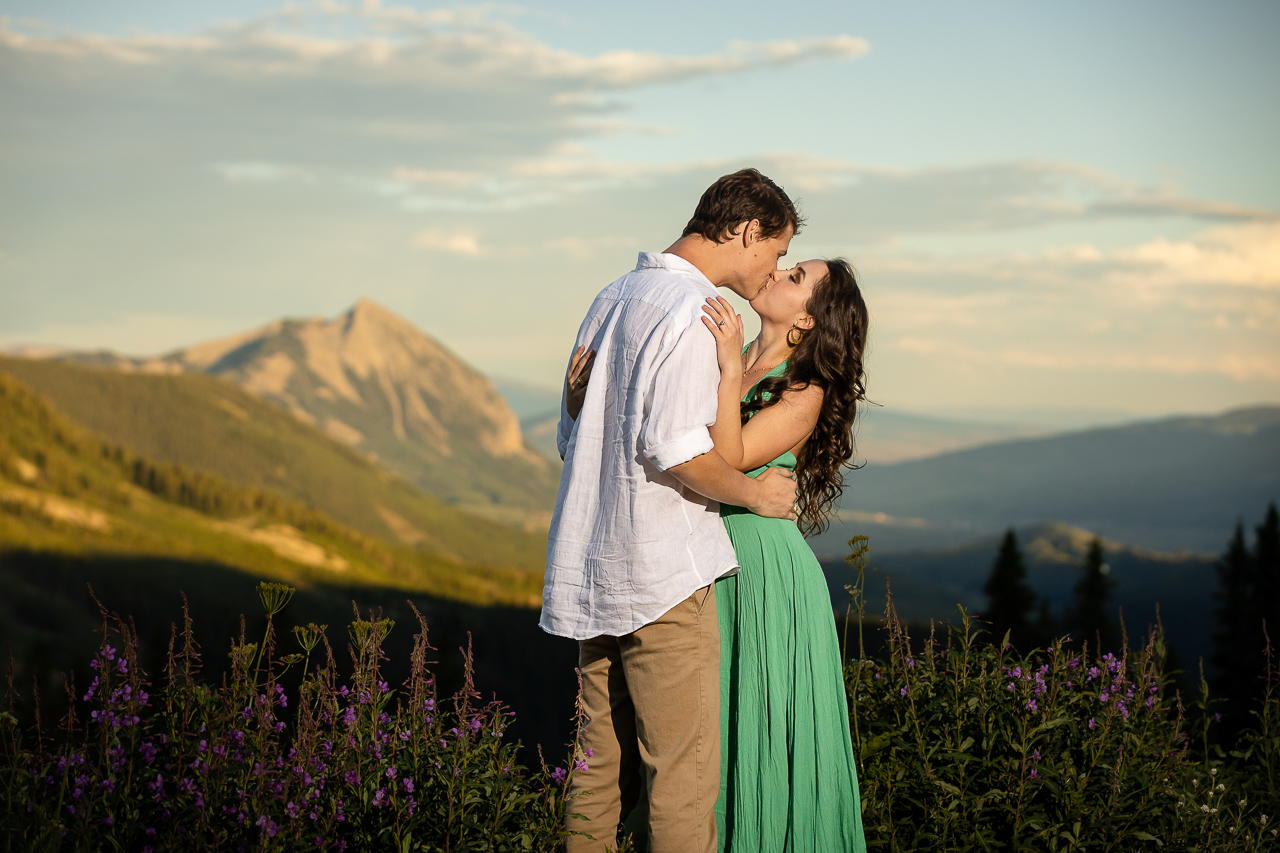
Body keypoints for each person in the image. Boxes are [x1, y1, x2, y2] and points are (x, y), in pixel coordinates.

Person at [567, 257, 871, 852]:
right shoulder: (721, 357)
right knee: (699, 734)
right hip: (698, 555)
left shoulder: (806, 389)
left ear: (807, 320)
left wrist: (731, 365)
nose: (778, 275)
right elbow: (653, 434)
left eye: (795, 277)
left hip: (759, 570)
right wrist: (586, 399)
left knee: (745, 721)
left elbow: (727, 458)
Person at [541, 169, 803, 853]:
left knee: (598, 779)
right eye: (775, 252)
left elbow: (572, 438)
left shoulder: (612, 297)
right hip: (662, 578)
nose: (774, 268)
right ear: (747, 232)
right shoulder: (691, 309)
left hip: (594, 577)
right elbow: (675, 450)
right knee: (681, 783)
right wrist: (753, 492)